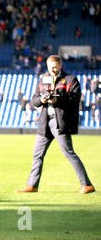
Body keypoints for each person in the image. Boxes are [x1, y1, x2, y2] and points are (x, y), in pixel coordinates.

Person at [17, 55, 95, 194]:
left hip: (61, 122)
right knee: (37, 154)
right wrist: (42, 99)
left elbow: (75, 99)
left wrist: (56, 100)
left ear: (60, 65)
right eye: (50, 67)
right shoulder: (43, 79)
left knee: (69, 153)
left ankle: (87, 185)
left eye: (55, 67)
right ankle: (32, 185)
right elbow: (34, 100)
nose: (52, 70)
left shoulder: (71, 79)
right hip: (45, 122)